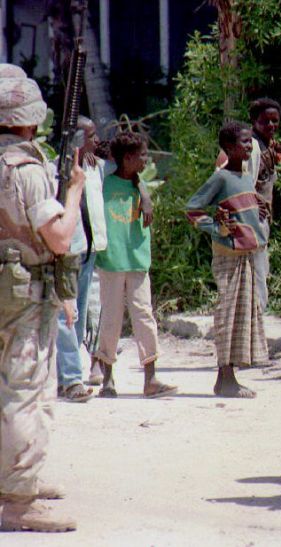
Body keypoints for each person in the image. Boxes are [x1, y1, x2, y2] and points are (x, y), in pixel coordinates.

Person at [0, 64, 81, 532]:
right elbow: (60, 239)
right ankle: (19, 501)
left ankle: (16, 479)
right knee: (24, 392)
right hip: (23, 294)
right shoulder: (27, 170)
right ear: (28, 120)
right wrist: (72, 191)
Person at [186, 122, 269, 398]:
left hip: (246, 254)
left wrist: (259, 208)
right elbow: (193, 209)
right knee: (227, 315)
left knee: (241, 316)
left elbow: (241, 206)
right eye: (245, 142)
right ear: (230, 147)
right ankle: (225, 378)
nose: (249, 146)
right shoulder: (220, 178)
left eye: (250, 142)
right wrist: (217, 229)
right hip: (228, 257)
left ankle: (228, 378)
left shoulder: (244, 175)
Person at [92, 132, 177, 399]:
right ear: (127, 158)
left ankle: (150, 379)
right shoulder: (104, 185)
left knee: (144, 316)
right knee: (111, 319)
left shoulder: (140, 187)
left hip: (138, 261)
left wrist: (143, 191)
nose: (146, 160)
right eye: (142, 155)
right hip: (111, 261)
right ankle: (107, 379)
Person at [55, 116, 107, 401]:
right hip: (69, 252)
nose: (95, 141)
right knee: (67, 316)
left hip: (89, 251)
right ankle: (72, 379)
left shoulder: (93, 168)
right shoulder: (59, 172)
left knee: (79, 316)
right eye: (90, 136)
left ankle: (67, 376)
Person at [217, 98, 281, 312]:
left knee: (255, 272)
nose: (271, 125)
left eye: (275, 121)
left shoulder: (262, 144)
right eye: (266, 121)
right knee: (256, 273)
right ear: (254, 121)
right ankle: (255, 323)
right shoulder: (252, 146)